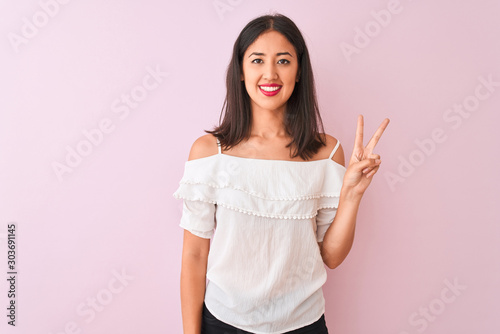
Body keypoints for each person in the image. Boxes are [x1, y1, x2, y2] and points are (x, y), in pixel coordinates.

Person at [173, 13, 390, 334]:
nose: (270, 73)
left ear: (299, 71)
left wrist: (352, 194)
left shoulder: (327, 153)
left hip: (303, 324)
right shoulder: (209, 152)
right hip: (224, 322)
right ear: (241, 72)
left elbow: (330, 256)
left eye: (284, 61)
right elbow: (193, 255)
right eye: (257, 60)